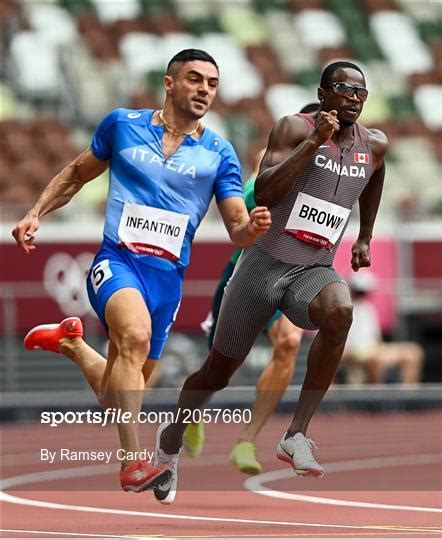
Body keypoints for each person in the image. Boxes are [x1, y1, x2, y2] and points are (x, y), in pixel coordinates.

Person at [12, 49, 271, 494]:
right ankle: (134, 463)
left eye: (212, 83)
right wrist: (36, 211)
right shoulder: (122, 125)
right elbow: (76, 174)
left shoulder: (218, 153)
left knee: (118, 396)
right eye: (195, 79)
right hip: (118, 260)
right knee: (133, 337)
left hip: (167, 281)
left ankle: (73, 345)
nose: (204, 89)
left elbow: (235, 228)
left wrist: (253, 228)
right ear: (170, 84)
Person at [153, 60, 388, 504]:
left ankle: (295, 435)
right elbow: (265, 193)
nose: (355, 98)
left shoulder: (373, 145)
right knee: (217, 374)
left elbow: (375, 176)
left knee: (340, 310)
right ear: (323, 94)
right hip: (261, 267)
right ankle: (172, 438)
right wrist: (314, 143)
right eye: (344, 89)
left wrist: (365, 235)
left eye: (362, 92)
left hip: (312, 268)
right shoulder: (293, 130)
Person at [183, 104, 320, 476]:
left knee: (289, 343)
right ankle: (192, 409)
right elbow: (247, 201)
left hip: (293, 276)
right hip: (246, 275)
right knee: (222, 366)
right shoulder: (274, 155)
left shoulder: (336, 172)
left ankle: (247, 440)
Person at [341, 272, 424, 384]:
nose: (361, 295)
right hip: (353, 352)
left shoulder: (367, 308)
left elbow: (376, 339)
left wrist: (378, 348)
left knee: (413, 353)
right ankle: (378, 397)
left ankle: (407, 397)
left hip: (373, 349)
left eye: (363, 292)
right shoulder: (340, 309)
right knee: (375, 359)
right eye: (358, 291)